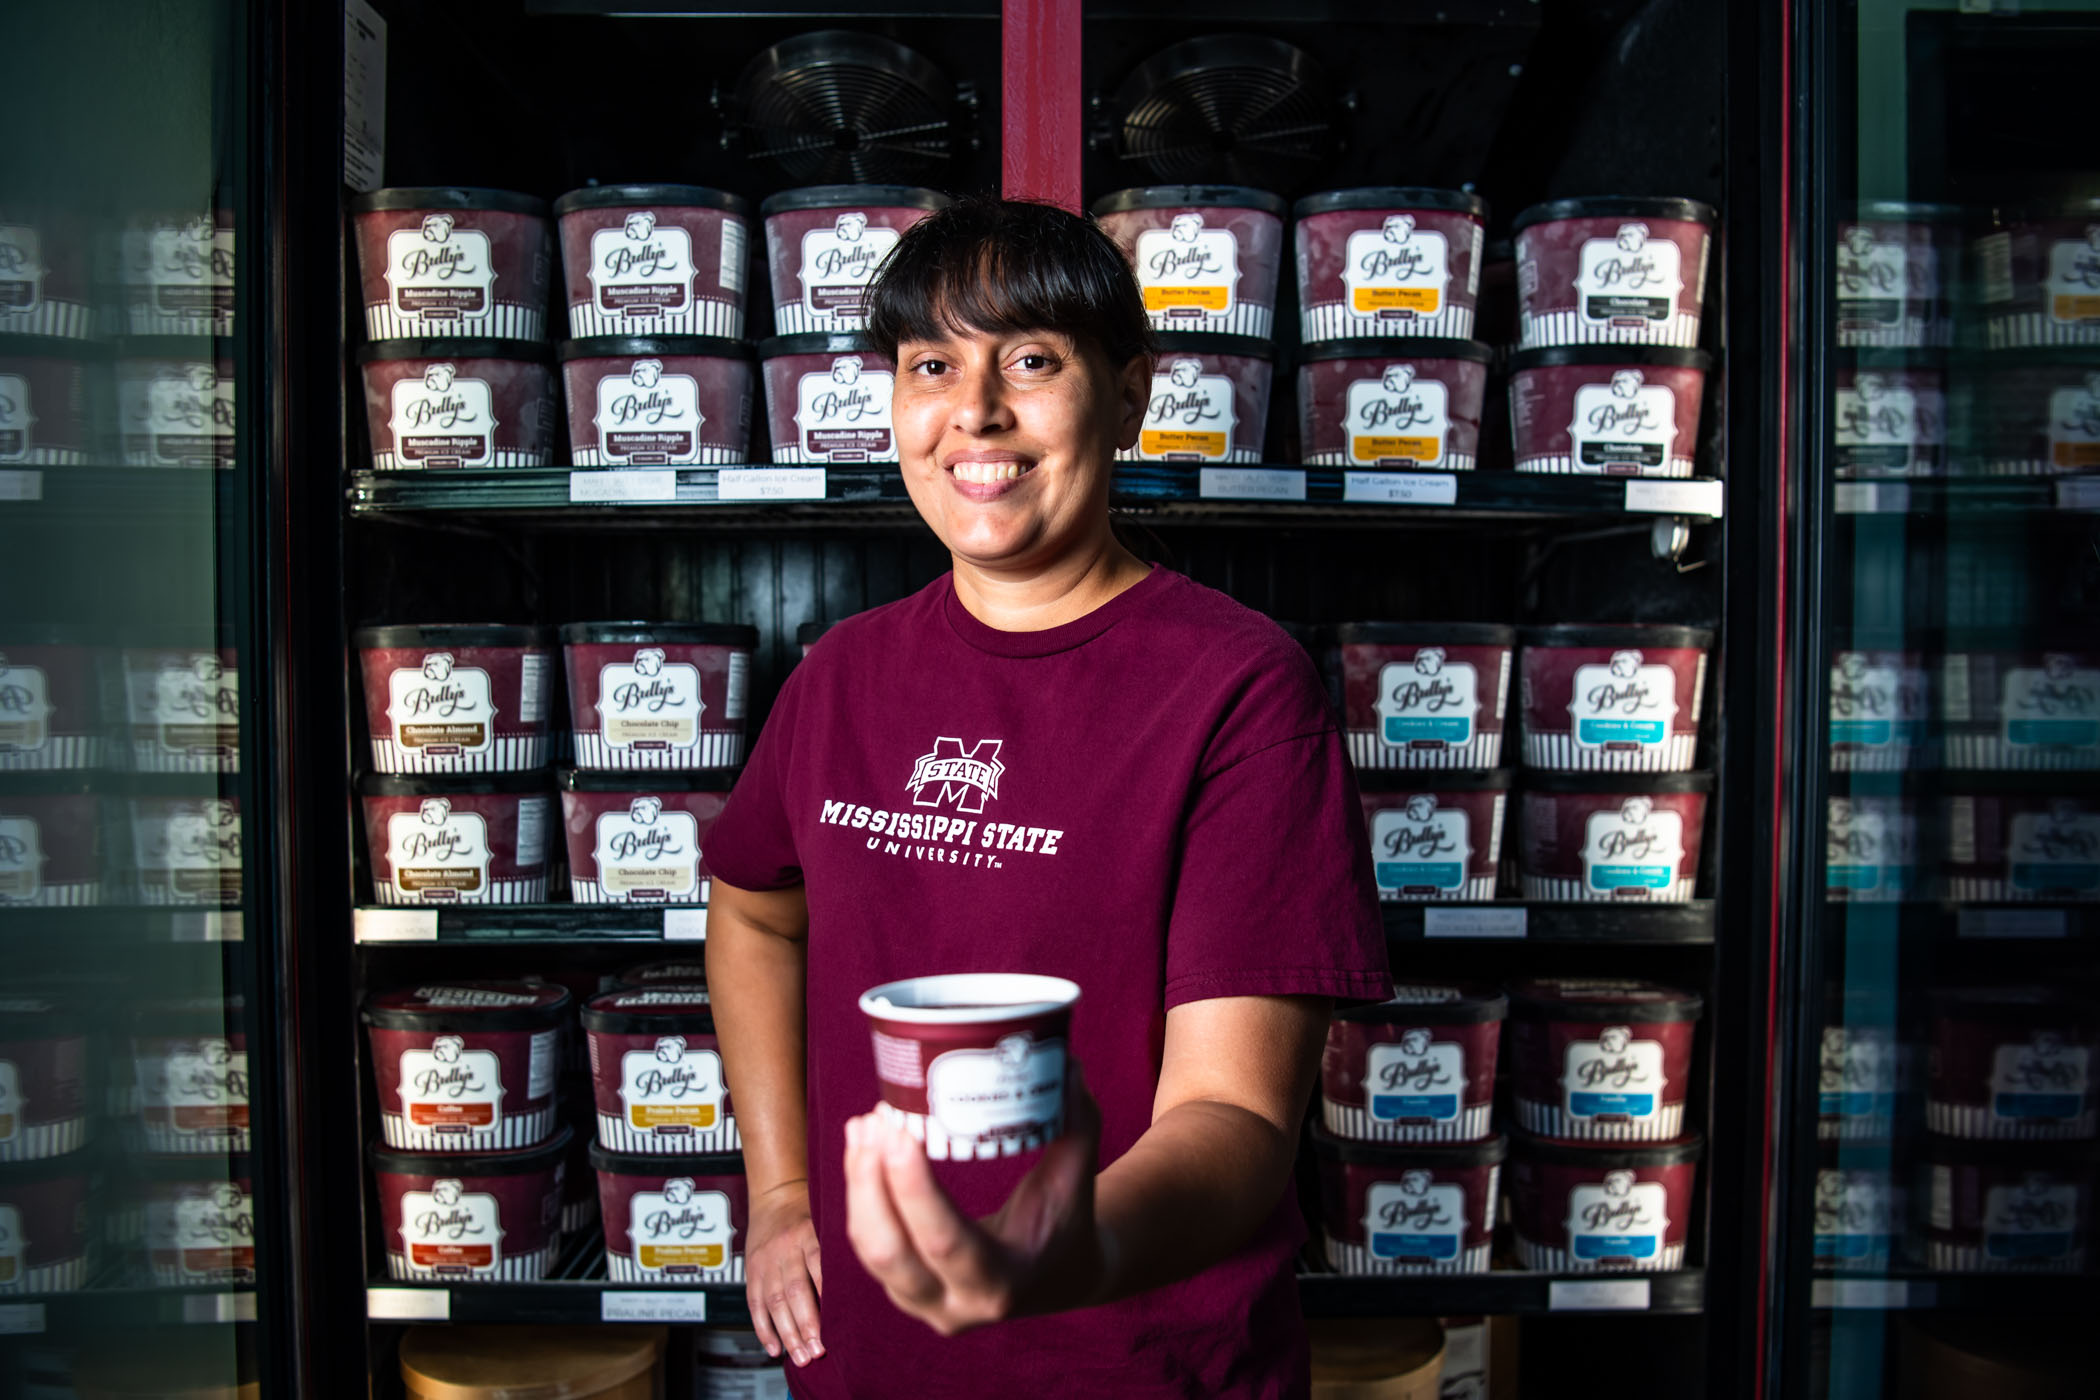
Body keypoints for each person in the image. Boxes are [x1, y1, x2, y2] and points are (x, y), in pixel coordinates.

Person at [703, 195, 1388, 1399]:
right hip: (871, 1358)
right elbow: (754, 905)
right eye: (931, 365)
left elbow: (1234, 1113)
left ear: (1129, 394)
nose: (975, 412)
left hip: (1134, 1361)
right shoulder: (841, 674)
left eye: (1030, 360)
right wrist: (778, 1192)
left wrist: (1053, 1250)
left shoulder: (1237, 689)